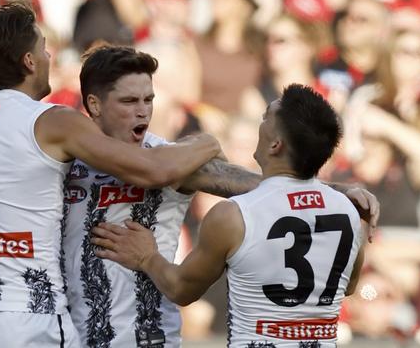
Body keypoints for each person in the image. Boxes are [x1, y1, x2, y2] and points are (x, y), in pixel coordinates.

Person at [0, 46, 379, 347]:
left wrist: (335, 191)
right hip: (68, 334)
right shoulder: (60, 162)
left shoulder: (173, 161)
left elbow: (265, 188)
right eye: (129, 100)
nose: (143, 111)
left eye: (149, 99)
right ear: (93, 106)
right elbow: (3, 228)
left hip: (145, 337)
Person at [0, 4, 221, 348]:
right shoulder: (52, 121)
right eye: (43, 48)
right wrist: (206, 140)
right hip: (28, 319)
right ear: (29, 61)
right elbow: (153, 169)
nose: (48, 56)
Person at [93, 84, 368, 347]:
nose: (259, 123)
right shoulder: (349, 212)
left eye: (265, 118)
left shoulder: (234, 214)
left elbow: (181, 289)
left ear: (275, 145)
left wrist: (147, 257)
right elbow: (349, 285)